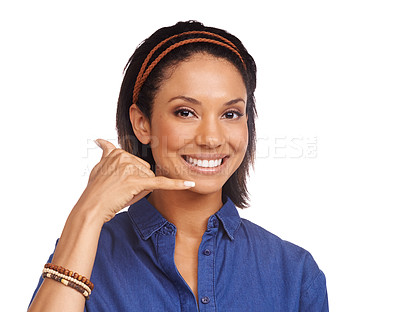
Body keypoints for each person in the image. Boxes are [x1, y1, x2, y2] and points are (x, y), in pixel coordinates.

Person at [28, 20, 328, 311]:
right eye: (186, 112)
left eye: (231, 114)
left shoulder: (295, 273)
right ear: (142, 123)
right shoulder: (85, 253)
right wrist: (88, 211)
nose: (211, 138)